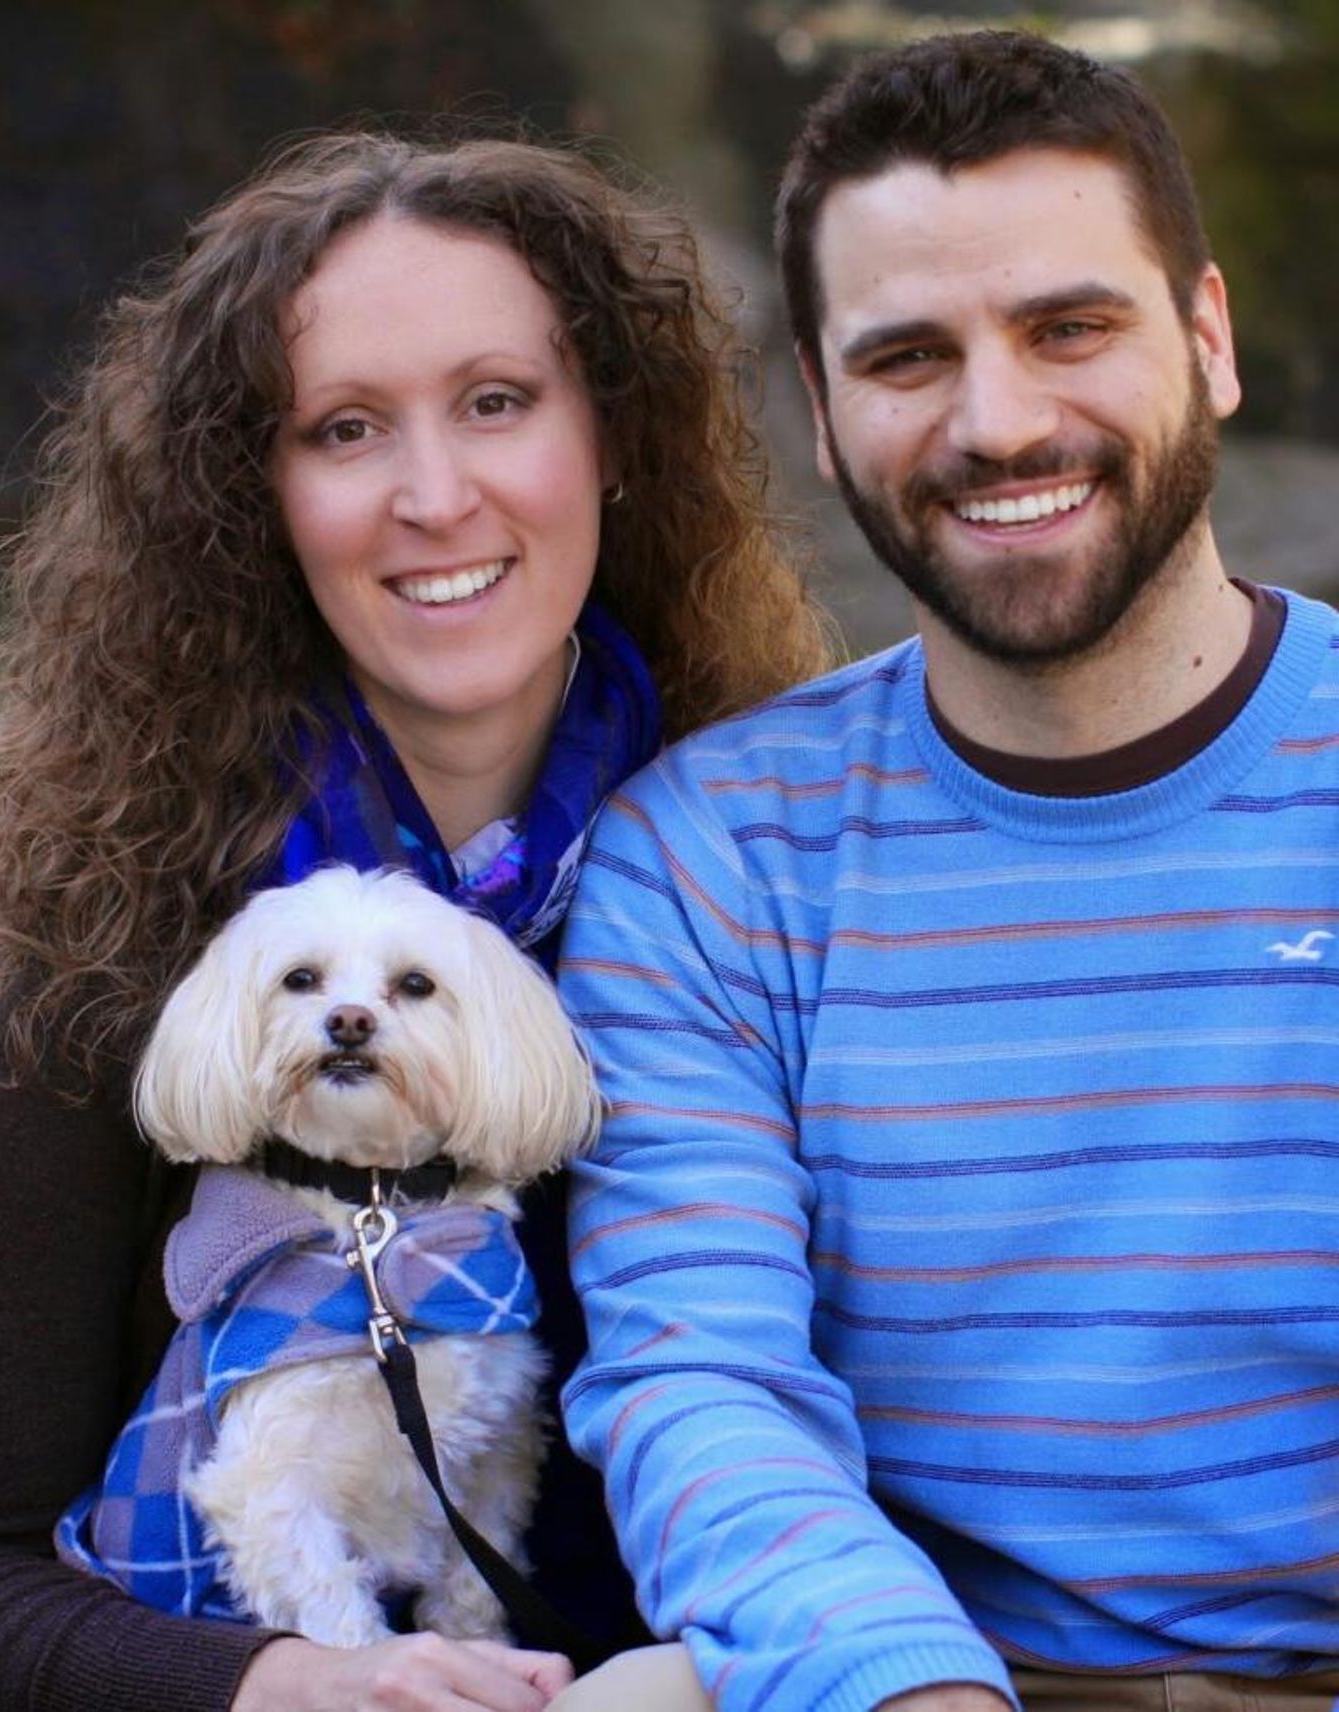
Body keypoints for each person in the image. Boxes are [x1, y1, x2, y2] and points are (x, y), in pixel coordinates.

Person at [0, 130, 833, 1712]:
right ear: (255, 493)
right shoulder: (106, 921)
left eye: (498, 401)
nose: (435, 495)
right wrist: (280, 1681)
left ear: (610, 436)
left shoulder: (769, 872)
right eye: (346, 429)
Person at [559, 29, 1339, 1712]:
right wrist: (910, 1689)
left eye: (1072, 328)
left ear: (1207, 339)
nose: (999, 422)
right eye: (908, 356)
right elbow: (708, 1389)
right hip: (935, 1681)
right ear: (823, 418)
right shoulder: (712, 862)